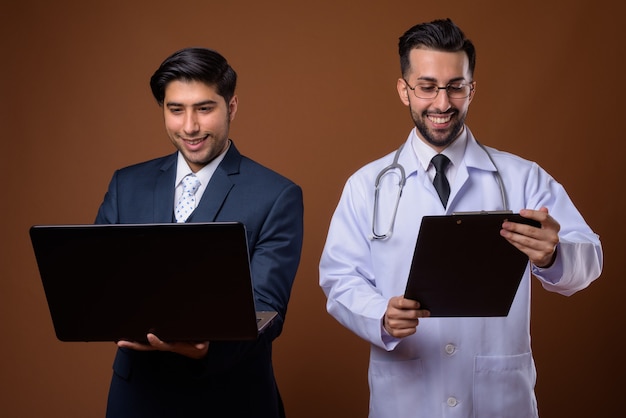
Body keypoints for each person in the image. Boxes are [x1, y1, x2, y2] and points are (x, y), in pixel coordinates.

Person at [319, 18, 602, 418]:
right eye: (427, 86)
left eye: (456, 87)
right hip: (405, 399)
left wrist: (554, 255)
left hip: (499, 399)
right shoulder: (367, 185)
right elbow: (338, 277)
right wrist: (379, 314)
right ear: (405, 90)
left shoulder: (523, 178)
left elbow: (590, 258)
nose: (442, 103)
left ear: (472, 89)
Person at [95, 47, 303, 417]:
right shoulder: (126, 184)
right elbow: (99, 284)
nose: (189, 127)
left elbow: (267, 307)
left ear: (232, 107)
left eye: (204, 108)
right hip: (137, 397)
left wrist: (209, 347)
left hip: (232, 397)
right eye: (176, 110)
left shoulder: (276, 195)